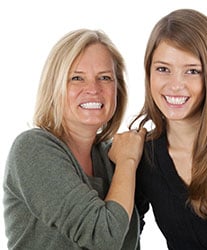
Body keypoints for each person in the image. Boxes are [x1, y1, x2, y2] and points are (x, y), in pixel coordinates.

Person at [3, 29, 146, 250]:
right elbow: (104, 238)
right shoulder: (32, 149)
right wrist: (127, 162)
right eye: (77, 78)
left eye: (105, 78)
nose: (93, 89)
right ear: (54, 87)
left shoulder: (111, 157)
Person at [132, 9, 207, 249]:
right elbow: (117, 236)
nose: (176, 86)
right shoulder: (142, 156)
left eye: (192, 71)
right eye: (163, 69)